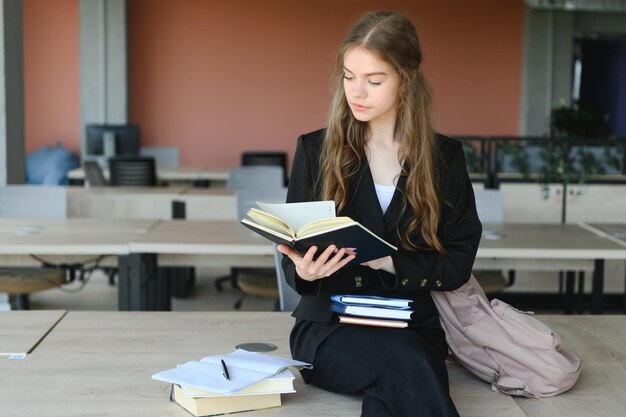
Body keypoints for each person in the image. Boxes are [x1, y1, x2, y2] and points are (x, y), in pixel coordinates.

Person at [277, 11, 482, 417]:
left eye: (374, 80)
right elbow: (293, 261)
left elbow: (457, 263)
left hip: (413, 325)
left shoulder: (444, 158)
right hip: (330, 330)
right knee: (406, 364)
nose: (357, 92)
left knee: (391, 388)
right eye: (349, 77)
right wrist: (305, 272)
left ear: (405, 81)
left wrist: (386, 258)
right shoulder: (315, 151)